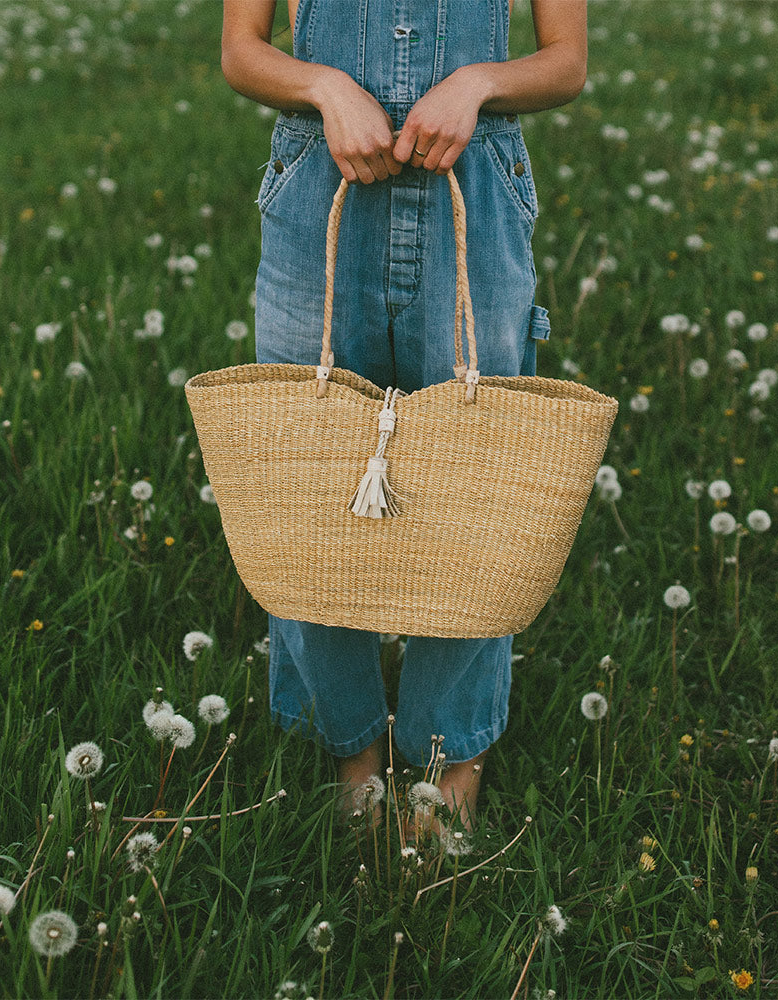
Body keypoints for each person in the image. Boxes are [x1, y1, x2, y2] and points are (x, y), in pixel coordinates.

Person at [221, 0, 587, 830]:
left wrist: (481, 81)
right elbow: (242, 52)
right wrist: (320, 86)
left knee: (475, 488)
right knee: (306, 480)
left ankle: (447, 752)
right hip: (319, 190)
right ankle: (349, 747)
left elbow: (566, 61)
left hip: (477, 197)